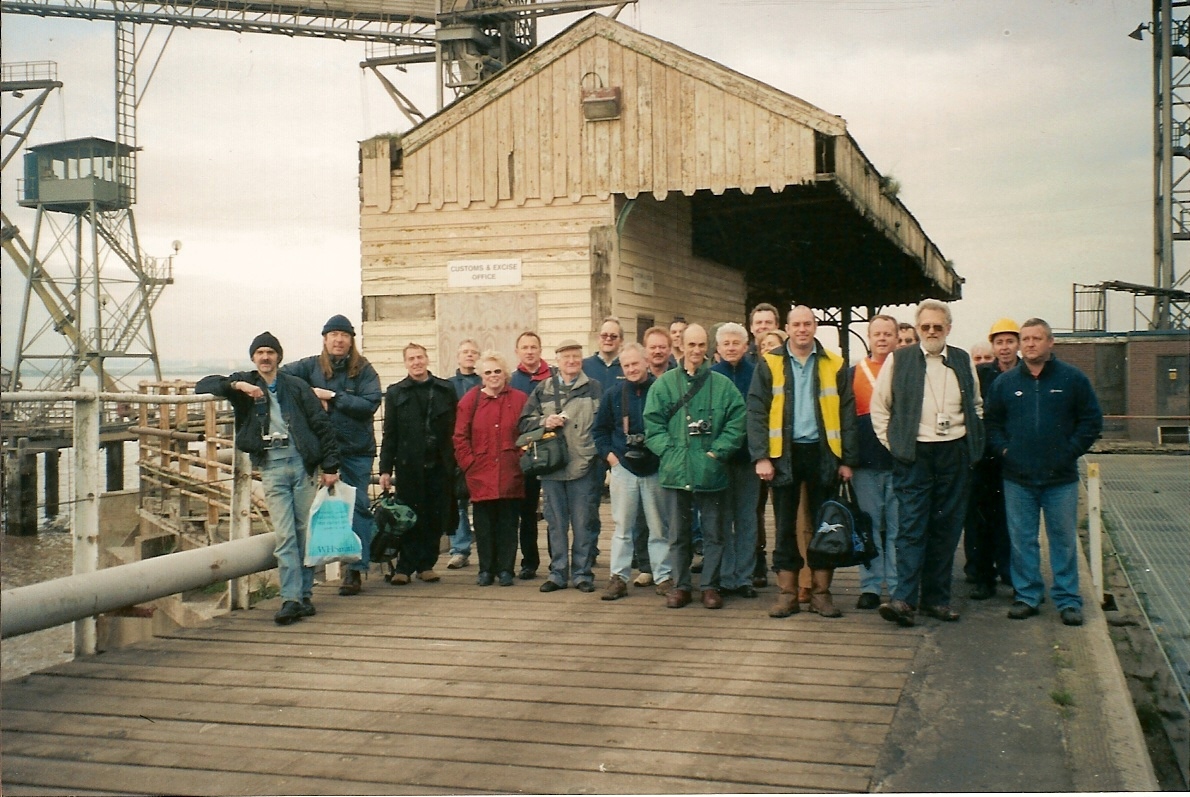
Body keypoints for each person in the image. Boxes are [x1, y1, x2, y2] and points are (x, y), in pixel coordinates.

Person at [197, 332, 339, 625]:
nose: (265, 357)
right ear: (253, 357)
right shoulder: (244, 384)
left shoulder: (296, 386)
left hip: (301, 464)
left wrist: (330, 466)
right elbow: (204, 385)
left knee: (304, 532)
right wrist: (238, 385)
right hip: (272, 466)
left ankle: (304, 596)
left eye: (270, 352)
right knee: (286, 535)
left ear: (278, 357)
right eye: (260, 352)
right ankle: (290, 598)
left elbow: (321, 425)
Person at [870, 299, 984, 627]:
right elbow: (881, 408)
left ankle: (936, 600)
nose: (932, 332)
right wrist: (897, 445)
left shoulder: (962, 360)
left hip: (954, 453)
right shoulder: (899, 360)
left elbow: (976, 404)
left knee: (946, 528)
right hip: (915, 455)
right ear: (918, 329)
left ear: (948, 328)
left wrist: (970, 443)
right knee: (911, 527)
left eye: (938, 326)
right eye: (925, 327)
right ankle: (904, 599)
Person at [985, 318, 1103, 626]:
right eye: (1025, 339)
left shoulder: (1073, 379)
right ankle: (1027, 596)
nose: (1030, 344)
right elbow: (992, 424)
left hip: (1060, 479)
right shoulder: (1005, 383)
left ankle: (1067, 599)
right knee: (1022, 539)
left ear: (1051, 343)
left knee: (1063, 539)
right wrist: (1006, 451)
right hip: (1018, 479)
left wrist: (1069, 451)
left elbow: (1091, 421)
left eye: (1037, 338)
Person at [747, 306, 857, 619]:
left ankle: (821, 594)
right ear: (788, 327)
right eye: (796, 324)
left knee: (825, 526)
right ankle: (787, 595)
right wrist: (762, 456)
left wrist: (847, 460)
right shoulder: (770, 362)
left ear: (815, 326)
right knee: (784, 526)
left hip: (823, 454)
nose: (802, 330)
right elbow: (756, 410)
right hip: (784, 454)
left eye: (808, 324)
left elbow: (847, 414)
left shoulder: (834, 363)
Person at [644, 323, 746, 609]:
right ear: (682, 346)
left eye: (701, 345)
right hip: (677, 470)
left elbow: (737, 422)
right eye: (691, 345)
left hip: (711, 470)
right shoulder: (664, 385)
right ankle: (681, 585)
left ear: (708, 348)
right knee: (678, 533)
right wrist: (670, 452)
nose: (696, 350)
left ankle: (710, 586)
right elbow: (653, 423)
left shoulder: (723, 386)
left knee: (714, 532)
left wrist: (717, 453)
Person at [279, 314, 381, 597]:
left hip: (355, 450)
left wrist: (333, 397)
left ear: (351, 340)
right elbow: (280, 376)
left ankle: (355, 570)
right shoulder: (309, 366)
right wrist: (311, 396)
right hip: (320, 452)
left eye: (344, 335)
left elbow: (370, 404)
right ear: (324, 339)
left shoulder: (363, 370)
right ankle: (313, 568)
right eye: (333, 334)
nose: (338, 340)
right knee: (315, 509)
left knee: (358, 505)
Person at [519, 339, 603, 593]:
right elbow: (524, 423)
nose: (571, 361)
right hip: (552, 467)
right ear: (557, 361)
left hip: (583, 466)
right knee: (556, 524)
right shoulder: (543, 389)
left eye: (576, 357)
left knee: (583, 523)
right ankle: (557, 573)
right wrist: (545, 421)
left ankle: (582, 574)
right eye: (566, 357)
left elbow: (603, 425)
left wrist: (593, 455)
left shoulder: (594, 387)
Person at [593, 342, 672, 600]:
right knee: (622, 527)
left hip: (655, 467)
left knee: (659, 526)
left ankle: (663, 576)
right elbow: (600, 431)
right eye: (626, 365)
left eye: (635, 364)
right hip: (623, 467)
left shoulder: (661, 390)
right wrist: (611, 459)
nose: (631, 369)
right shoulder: (613, 394)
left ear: (646, 362)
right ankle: (618, 577)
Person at [377, 343, 459, 585]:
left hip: (440, 465)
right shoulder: (395, 392)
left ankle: (426, 565)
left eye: (420, 357)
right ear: (405, 363)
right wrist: (385, 469)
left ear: (427, 359)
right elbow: (389, 434)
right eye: (411, 359)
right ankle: (404, 567)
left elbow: (456, 429)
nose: (416, 362)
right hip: (409, 466)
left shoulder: (446, 389)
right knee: (409, 518)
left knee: (435, 517)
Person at [453, 351, 529, 587]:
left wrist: (521, 458)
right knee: (484, 526)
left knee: (508, 523)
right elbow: (459, 437)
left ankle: (506, 569)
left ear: (505, 374)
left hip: (510, 472)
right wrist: (469, 464)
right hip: (481, 473)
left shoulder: (519, 399)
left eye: (497, 371)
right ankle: (486, 569)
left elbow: (527, 432)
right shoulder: (470, 400)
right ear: (481, 376)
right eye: (488, 372)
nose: (493, 376)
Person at [964, 318, 1020, 599]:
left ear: (1018, 344)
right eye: (999, 342)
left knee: (1014, 519)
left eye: (1010, 341)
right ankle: (982, 575)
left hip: (1016, 458)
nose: (1005, 347)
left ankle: (1012, 572)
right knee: (982, 520)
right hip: (986, 460)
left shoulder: (1028, 372)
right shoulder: (982, 375)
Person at [850, 315, 900, 610]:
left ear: (896, 338)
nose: (882, 338)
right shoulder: (853, 372)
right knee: (869, 526)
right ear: (869, 338)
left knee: (897, 529)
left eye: (888, 334)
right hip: (865, 464)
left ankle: (896, 586)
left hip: (899, 463)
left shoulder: (906, 370)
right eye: (877, 334)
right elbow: (845, 419)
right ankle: (870, 586)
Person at [711, 322, 760, 599]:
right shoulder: (711, 376)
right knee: (721, 518)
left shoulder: (756, 375)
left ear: (745, 346)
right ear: (717, 348)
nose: (731, 347)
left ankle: (744, 577)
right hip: (719, 460)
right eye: (726, 343)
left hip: (748, 459)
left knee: (746, 519)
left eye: (736, 343)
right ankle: (725, 576)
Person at [509, 331, 551, 579]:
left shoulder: (553, 377)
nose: (529, 351)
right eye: (524, 347)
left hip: (550, 452)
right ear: (518, 352)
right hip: (524, 454)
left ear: (540, 350)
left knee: (555, 512)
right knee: (526, 512)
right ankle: (529, 562)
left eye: (533, 347)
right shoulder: (512, 380)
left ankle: (558, 561)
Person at [751, 327, 788, 588]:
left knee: (784, 512)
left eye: (773, 345)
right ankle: (758, 560)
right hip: (760, 454)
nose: (768, 350)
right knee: (755, 509)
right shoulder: (757, 373)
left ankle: (785, 562)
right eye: (764, 346)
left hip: (785, 455)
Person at [447, 338, 483, 570]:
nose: (469, 355)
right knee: (458, 500)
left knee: (482, 500)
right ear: (458, 357)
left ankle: (488, 549)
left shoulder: (485, 381)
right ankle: (459, 549)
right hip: (457, 448)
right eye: (465, 352)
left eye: (473, 352)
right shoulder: (448, 385)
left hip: (483, 448)